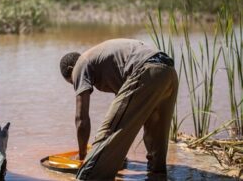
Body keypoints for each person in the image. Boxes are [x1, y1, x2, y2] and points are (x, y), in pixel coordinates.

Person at [59, 38, 178, 180]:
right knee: (156, 139)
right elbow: (123, 113)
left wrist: (83, 155)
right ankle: (157, 175)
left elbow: (81, 119)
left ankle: (88, 176)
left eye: (73, 82)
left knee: (92, 170)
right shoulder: (102, 59)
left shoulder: (80, 64)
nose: (77, 84)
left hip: (147, 69)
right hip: (168, 71)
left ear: (71, 70)